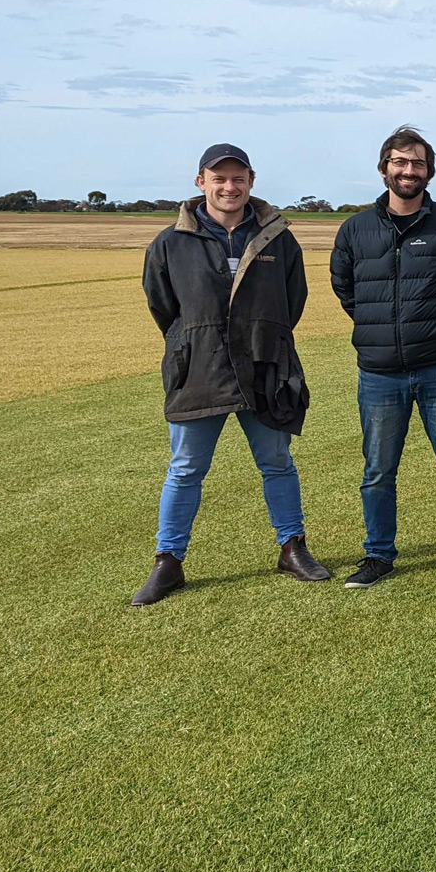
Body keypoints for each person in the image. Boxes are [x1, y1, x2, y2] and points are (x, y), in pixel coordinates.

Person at [133, 143, 325, 606]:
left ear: (251, 182)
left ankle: (292, 547)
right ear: (201, 183)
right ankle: (168, 561)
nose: (229, 186)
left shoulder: (278, 238)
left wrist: (261, 336)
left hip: (265, 367)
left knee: (277, 463)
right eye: (219, 178)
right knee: (185, 469)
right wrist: (196, 341)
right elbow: (165, 308)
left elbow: (291, 302)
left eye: (238, 178)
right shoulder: (170, 242)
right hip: (199, 371)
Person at [330, 126, 436, 588]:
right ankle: (378, 555)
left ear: (429, 171)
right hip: (379, 374)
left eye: (417, 163)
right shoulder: (355, 229)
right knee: (378, 471)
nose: (408, 171)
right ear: (384, 167)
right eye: (400, 162)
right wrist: (380, 334)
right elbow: (347, 290)